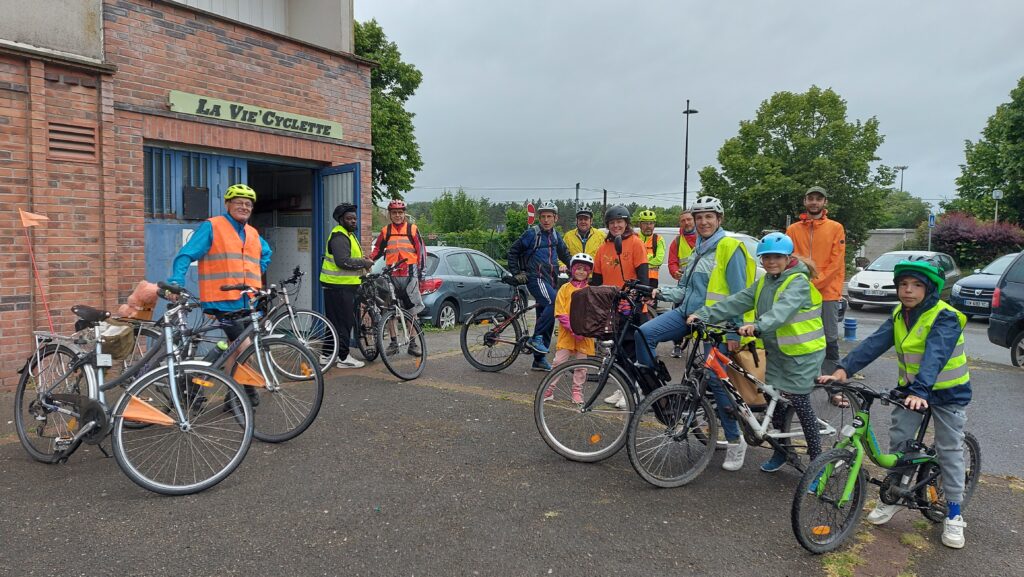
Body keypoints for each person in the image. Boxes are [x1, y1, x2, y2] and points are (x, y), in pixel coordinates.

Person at [819, 260, 971, 549]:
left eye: (916, 285)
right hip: (913, 391)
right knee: (899, 442)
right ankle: (896, 494)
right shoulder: (901, 314)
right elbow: (875, 343)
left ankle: (953, 513)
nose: (908, 291)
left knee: (949, 449)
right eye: (903, 284)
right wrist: (843, 370)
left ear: (930, 290)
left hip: (948, 392)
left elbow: (936, 355)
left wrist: (922, 391)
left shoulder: (946, 316)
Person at [636, 195, 756, 470]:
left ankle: (736, 441)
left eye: (708, 216)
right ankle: (660, 396)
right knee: (644, 334)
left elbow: (740, 294)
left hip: (717, 323)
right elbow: (686, 290)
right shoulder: (699, 248)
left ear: (719, 219)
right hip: (687, 314)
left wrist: (734, 331)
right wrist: (658, 292)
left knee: (714, 379)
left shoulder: (729, 247)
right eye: (699, 217)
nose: (703, 222)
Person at [688, 232, 826, 471]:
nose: (771, 261)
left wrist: (757, 326)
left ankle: (819, 465)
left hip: (803, 354)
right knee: (778, 403)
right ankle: (783, 453)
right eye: (766, 257)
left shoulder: (798, 282)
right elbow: (738, 300)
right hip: (779, 352)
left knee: (800, 405)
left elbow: (783, 310)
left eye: (776, 257)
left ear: (787, 257)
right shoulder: (766, 281)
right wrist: (704, 314)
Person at [168, 183, 272, 404]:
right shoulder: (213, 226)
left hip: (246, 301)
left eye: (248, 204)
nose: (244, 207)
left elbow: (266, 253)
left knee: (234, 349)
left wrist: (255, 272)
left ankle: (221, 393)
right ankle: (246, 392)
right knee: (245, 349)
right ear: (227, 204)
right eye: (238, 203)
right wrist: (176, 280)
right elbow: (186, 254)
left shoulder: (252, 233)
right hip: (221, 299)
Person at [592, 205, 649, 410]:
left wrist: (640, 298)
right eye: (612, 223)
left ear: (626, 223)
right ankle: (622, 388)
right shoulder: (603, 248)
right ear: (608, 225)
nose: (616, 225)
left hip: (631, 307)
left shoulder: (636, 243)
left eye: (620, 222)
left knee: (632, 350)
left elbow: (643, 276)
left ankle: (635, 389)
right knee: (616, 351)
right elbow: (597, 280)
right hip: (612, 307)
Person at [786, 186, 846, 373]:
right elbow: (788, 259)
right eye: (810, 198)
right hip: (799, 291)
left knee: (829, 338)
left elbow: (836, 263)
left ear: (824, 202)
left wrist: (813, 283)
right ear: (805, 201)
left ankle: (833, 387)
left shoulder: (836, 228)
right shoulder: (793, 229)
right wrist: (800, 284)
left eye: (818, 199)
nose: (814, 202)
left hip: (827, 293)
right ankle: (800, 382)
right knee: (798, 337)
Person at [507, 201, 572, 371]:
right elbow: (513, 251)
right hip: (536, 278)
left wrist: (579, 270)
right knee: (555, 303)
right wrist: (516, 272)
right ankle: (535, 339)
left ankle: (538, 359)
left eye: (549, 216)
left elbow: (566, 256)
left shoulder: (556, 236)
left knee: (547, 319)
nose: (545, 220)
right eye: (542, 217)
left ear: (555, 218)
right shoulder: (532, 234)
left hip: (551, 279)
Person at [370, 199, 427, 357]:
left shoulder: (413, 229)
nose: (397, 215)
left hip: (410, 274)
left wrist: (422, 273)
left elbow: (421, 252)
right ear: (389, 214)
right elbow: (377, 250)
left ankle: (413, 343)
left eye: (400, 213)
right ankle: (394, 343)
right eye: (394, 213)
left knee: (412, 311)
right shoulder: (385, 231)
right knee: (390, 310)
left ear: (404, 214)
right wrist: (368, 260)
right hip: (391, 275)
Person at [321, 203, 375, 368]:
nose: (353, 221)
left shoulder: (348, 235)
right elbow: (343, 261)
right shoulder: (339, 236)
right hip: (339, 286)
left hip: (342, 286)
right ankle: (343, 358)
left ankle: (326, 354)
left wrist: (361, 262)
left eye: (355, 218)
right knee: (345, 322)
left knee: (334, 322)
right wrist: (364, 262)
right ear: (340, 220)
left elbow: (349, 258)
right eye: (349, 219)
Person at [543, 253, 598, 403]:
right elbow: (560, 312)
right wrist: (573, 329)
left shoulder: (591, 291)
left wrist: (584, 329)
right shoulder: (564, 289)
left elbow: (593, 313)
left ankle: (577, 392)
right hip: (567, 333)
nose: (581, 272)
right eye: (578, 268)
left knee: (582, 366)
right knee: (558, 362)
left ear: (589, 272)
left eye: (584, 269)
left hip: (585, 335)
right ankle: (549, 390)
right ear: (572, 270)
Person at [667, 209, 697, 357]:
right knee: (677, 312)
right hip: (684, 285)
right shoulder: (677, 241)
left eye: (689, 219)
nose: (687, 223)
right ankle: (677, 345)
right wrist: (675, 272)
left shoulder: (703, 238)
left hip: (700, 285)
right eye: (683, 220)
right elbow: (672, 262)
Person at [635, 209, 666, 289]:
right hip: (635, 278)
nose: (648, 226)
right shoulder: (634, 238)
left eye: (651, 223)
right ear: (640, 224)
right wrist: (650, 258)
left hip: (652, 279)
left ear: (654, 224)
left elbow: (659, 260)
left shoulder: (658, 239)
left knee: (649, 301)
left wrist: (640, 263)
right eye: (645, 223)